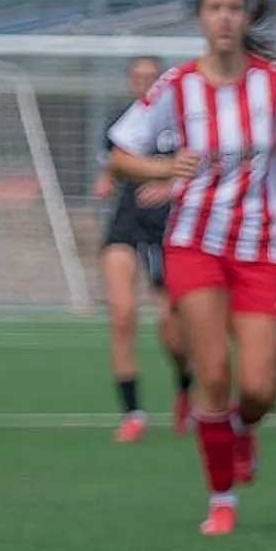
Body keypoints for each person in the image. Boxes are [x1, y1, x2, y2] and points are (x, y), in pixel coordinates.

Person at [106, 0, 276, 536]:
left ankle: (244, 430)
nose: (224, 17)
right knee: (214, 373)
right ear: (201, 18)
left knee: (260, 390)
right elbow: (120, 155)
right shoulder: (176, 86)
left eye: (234, 8)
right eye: (215, 7)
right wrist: (161, 166)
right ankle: (221, 499)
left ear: (246, 17)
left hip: (261, 247)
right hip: (195, 244)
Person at [94, 55, 191, 441]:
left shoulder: (183, 124)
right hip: (127, 223)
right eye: (138, 77)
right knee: (122, 314)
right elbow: (114, 164)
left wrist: (169, 186)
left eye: (152, 77)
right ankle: (132, 413)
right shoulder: (121, 124)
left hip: (169, 226)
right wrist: (106, 178)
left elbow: (201, 170)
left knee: (172, 326)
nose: (145, 83)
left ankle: (186, 389)